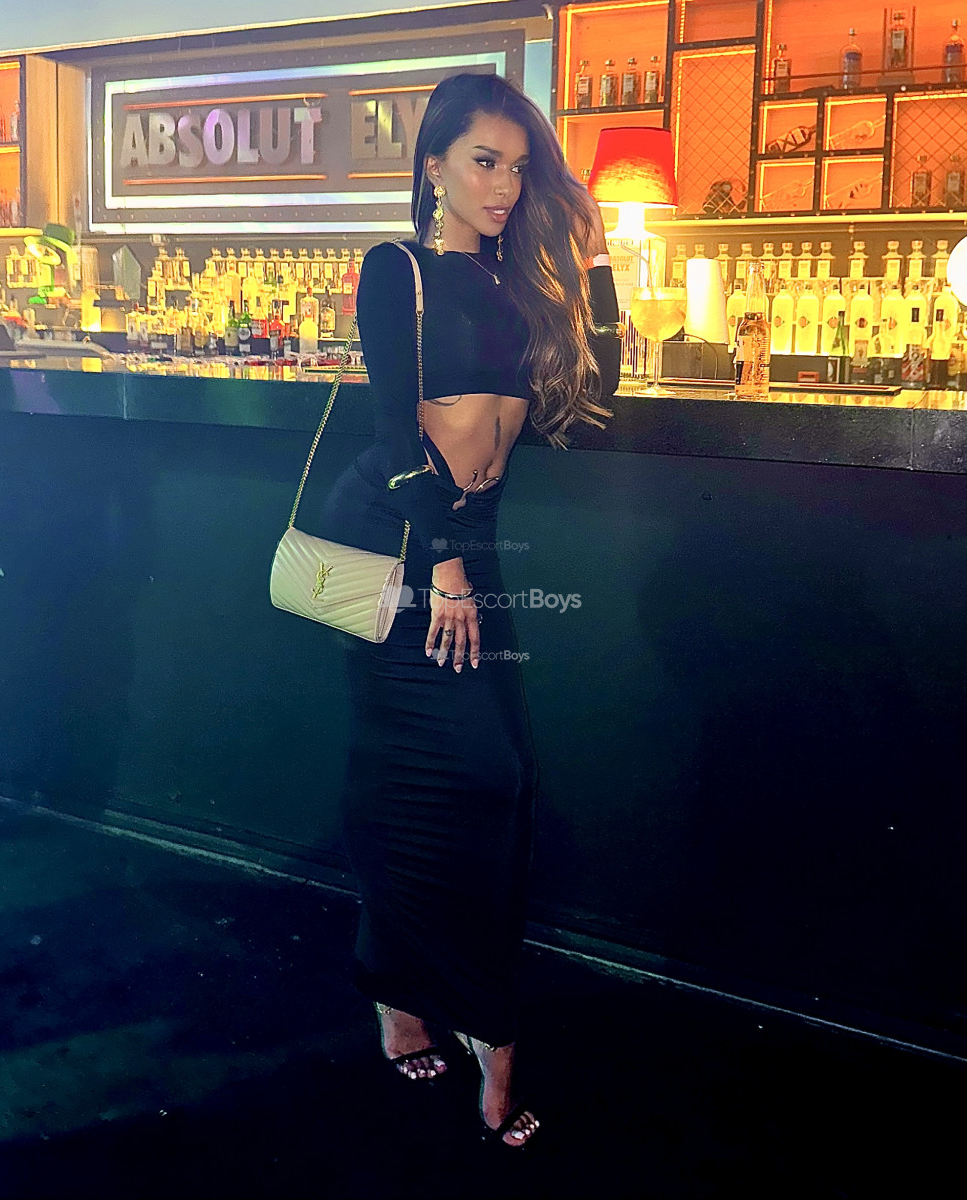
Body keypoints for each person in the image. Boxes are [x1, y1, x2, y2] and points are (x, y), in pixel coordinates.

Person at [317, 71, 620, 1147]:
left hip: (468, 544)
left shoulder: (515, 285)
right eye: (484, 162)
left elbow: (598, 390)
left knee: (484, 781)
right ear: (434, 163)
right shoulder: (395, 270)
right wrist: (443, 567)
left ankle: (414, 991)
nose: (502, 185)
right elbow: (396, 434)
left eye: (518, 168)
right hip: (400, 540)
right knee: (432, 776)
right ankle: (462, 1023)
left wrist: (594, 255)